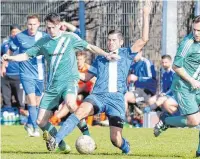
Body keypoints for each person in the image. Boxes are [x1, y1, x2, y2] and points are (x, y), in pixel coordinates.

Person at [41, 1, 152, 154]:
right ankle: (56, 139)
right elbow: (86, 77)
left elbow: (144, 40)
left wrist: (145, 14)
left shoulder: (126, 54)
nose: (110, 42)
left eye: (114, 40)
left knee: (115, 140)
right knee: (79, 111)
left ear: (120, 42)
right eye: (108, 40)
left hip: (117, 100)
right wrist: (71, 73)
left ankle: (126, 148)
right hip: (98, 96)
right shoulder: (100, 58)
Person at [2, 12, 118, 154]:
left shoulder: (69, 38)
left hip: (69, 81)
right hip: (52, 86)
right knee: (40, 122)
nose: (50, 30)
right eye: (48, 27)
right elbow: (26, 55)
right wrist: (10, 58)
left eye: (52, 27)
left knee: (70, 104)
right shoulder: (44, 42)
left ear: (59, 26)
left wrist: (106, 54)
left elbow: (90, 47)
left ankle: (86, 135)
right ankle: (62, 145)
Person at [153, 15, 200, 158]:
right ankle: (166, 121)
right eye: (194, 30)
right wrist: (191, 80)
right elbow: (176, 66)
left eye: (199, 30)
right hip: (183, 85)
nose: (195, 33)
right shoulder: (187, 43)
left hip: (199, 85)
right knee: (194, 121)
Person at [6, 15, 47, 137]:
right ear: (26, 24)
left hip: (40, 74)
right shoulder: (20, 36)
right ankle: (35, 129)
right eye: (30, 24)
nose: (32, 26)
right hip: (25, 73)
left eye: (34, 24)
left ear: (39, 24)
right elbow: (11, 49)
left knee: (37, 102)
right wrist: (5, 61)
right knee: (31, 100)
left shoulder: (44, 37)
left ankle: (29, 124)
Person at [49, 51, 96, 128]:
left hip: (86, 94)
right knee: (62, 103)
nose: (78, 61)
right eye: (77, 59)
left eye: (80, 59)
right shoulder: (72, 69)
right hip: (74, 92)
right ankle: (55, 119)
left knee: (70, 101)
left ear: (84, 60)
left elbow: (94, 81)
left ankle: (54, 119)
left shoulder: (89, 69)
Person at [1, 24, 26, 115]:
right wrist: (2, 67)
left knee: (20, 100)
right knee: (6, 99)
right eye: (13, 32)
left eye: (17, 32)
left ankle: (22, 118)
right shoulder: (5, 44)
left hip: (19, 75)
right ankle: (7, 117)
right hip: (6, 76)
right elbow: (2, 57)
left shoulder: (24, 44)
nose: (14, 34)